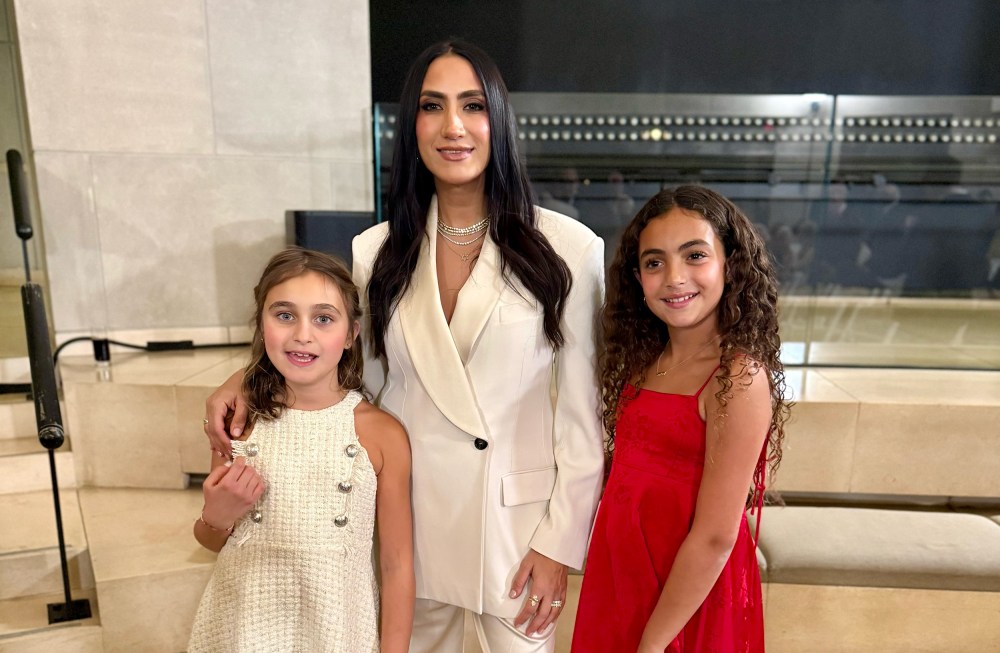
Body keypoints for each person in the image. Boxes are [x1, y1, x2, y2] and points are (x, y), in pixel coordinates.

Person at [204, 40, 605, 652]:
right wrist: (250, 374)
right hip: (408, 527)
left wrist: (560, 544)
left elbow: (583, 417)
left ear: (498, 118)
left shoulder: (568, 249)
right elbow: (344, 368)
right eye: (431, 106)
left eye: (472, 106)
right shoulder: (375, 250)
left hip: (515, 536)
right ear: (409, 125)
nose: (453, 127)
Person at [571, 185, 791, 652]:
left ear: (730, 264)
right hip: (622, 577)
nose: (674, 277)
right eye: (654, 262)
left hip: (684, 598)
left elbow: (714, 537)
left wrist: (652, 643)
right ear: (637, 278)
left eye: (694, 255)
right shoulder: (645, 361)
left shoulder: (737, 376)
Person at [189, 248, 413, 652]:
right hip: (243, 625)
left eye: (323, 318)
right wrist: (216, 516)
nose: (302, 334)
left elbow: (397, 566)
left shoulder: (381, 435)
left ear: (350, 335)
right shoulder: (240, 421)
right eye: (285, 315)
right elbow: (210, 539)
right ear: (261, 324)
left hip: (336, 629)